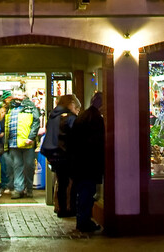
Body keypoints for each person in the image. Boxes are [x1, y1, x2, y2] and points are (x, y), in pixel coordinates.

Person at [67, 91, 105, 234]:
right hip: (88, 164)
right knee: (86, 193)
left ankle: (83, 220)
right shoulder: (95, 118)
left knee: (84, 192)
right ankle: (84, 222)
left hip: (80, 163)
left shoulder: (84, 115)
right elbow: (96, 143)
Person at [41, 94, 80, 218]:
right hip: (66, 154)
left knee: (61, 182)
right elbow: (75, 135)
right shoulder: (69, 118)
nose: (77, 110)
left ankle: (61, 208)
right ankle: (69, 208)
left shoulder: (53, 116)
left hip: (54, 155)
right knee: (70, 183)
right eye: (77, 108)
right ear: (71, 104)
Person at [2, 90, 40, 198]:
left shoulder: (30, 107)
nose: (17, 97)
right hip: (14, 143)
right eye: (16, 95)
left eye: (20, 94)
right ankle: (18, 189)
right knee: (17, 167)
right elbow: (7, 125)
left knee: (29, 166)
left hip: (27, 143)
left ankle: (29, 188)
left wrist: (31, 137)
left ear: (24, 96)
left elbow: (36, 122)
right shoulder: (11, 108)